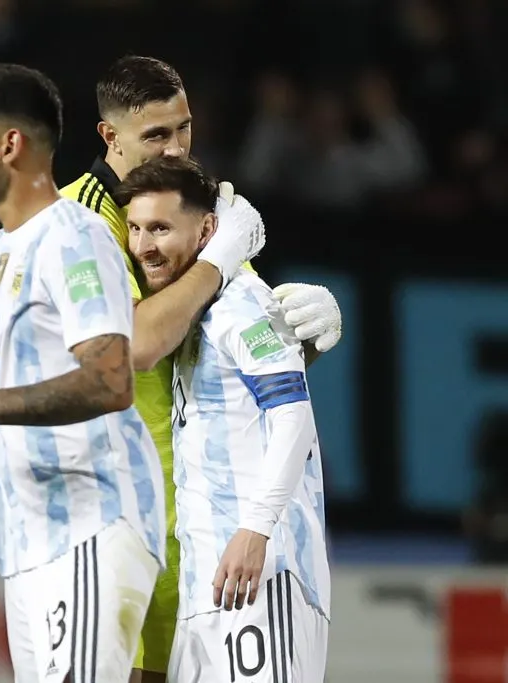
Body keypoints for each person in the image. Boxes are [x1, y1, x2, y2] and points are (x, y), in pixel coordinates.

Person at [0, 63, 259, 683]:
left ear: (9, 144)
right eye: (158, 134)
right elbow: (35, 376)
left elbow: (116, 371)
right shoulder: (8, 246)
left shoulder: (79, 232)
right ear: (111, 135)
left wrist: (286, 326)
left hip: (101, 516)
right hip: (34, 532)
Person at [59, 55, 342, 682]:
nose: (176, 147)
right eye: (156, 135)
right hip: (115, 522)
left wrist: (310, 334)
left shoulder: (198, 210)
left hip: (199, 527)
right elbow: (137, 345)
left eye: (183, 128)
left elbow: (243, 364)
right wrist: (222, 253)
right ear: (109, 136)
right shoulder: (79, 222)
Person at [117, 156, 330, 683]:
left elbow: (292, 415)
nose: (143, 246)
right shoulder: (191, 313)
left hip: (261, 576)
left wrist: (255, 530)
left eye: (160, 228)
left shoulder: (241, 303)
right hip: (208, 583)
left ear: (208, 230)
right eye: (136, 229)